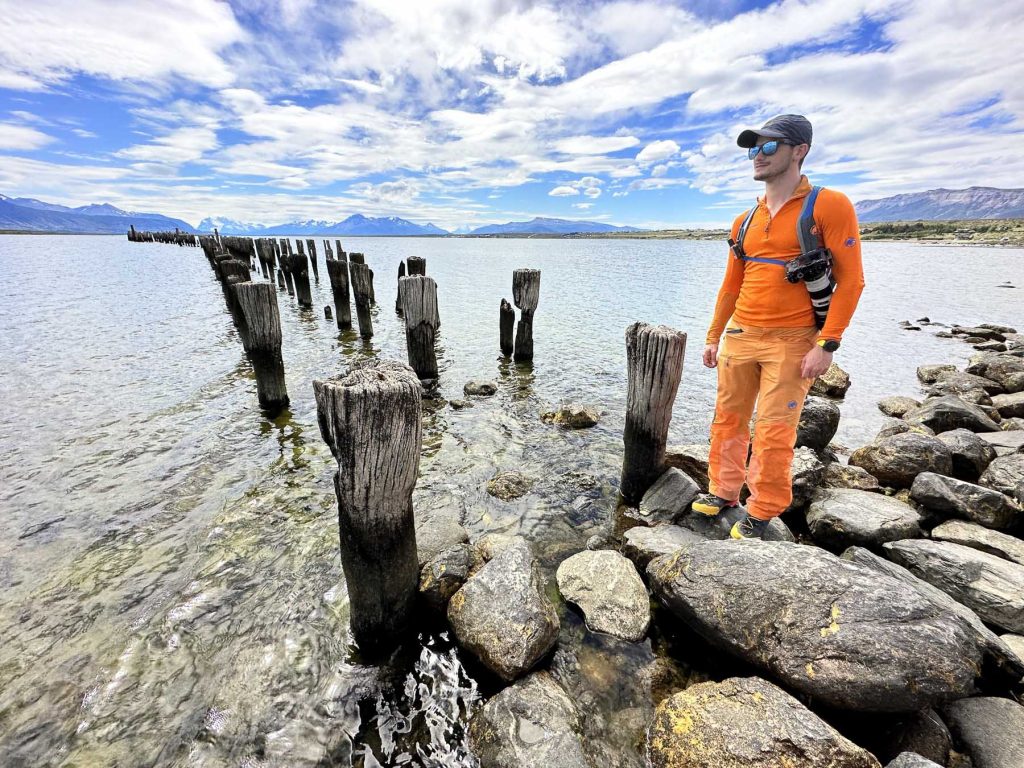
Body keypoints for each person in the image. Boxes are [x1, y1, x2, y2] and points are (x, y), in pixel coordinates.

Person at [691, 114, 865, 539]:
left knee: (773, 430)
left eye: (769, 147)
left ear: (799, 150)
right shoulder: (744, 220)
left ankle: (764, 508)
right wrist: (714, 335)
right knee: (727, 420)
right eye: (754, 148)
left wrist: (827, 344)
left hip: (792, 342)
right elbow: (731, 285)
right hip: (741, 336)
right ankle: (723, 491)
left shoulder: (828, 205)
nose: (758, 156)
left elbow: (852, 280)